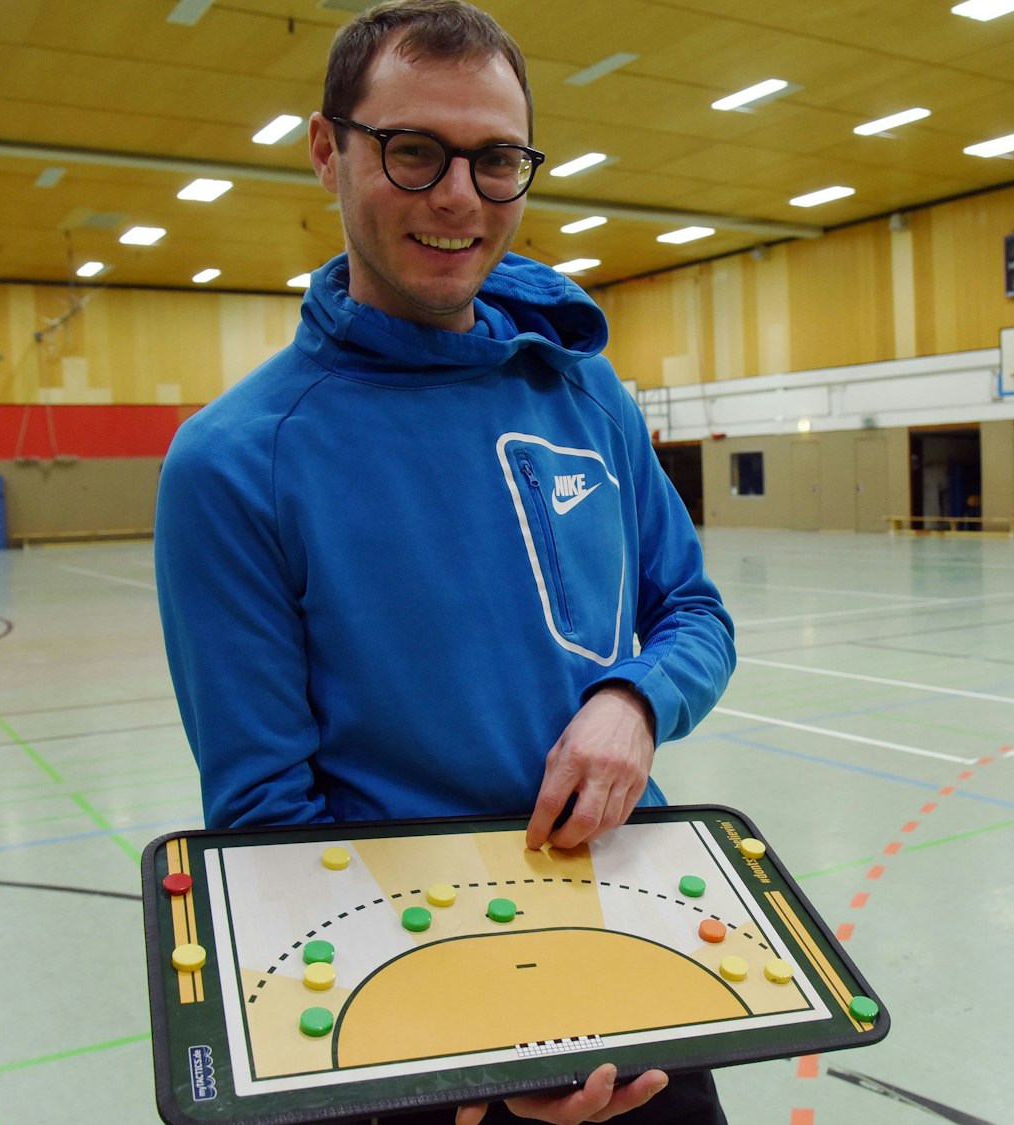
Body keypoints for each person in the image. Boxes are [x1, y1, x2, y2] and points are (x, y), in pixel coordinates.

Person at [152, 2, 737, 1121]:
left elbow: (693, 613)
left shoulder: (582, 392)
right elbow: (270, 819)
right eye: (412, 151)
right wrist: (475, 1025)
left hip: (633, 932)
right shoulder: (237, 462)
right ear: (328, 149)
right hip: (413, 996)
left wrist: (634, 702)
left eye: (496, 159)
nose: (459, 197)